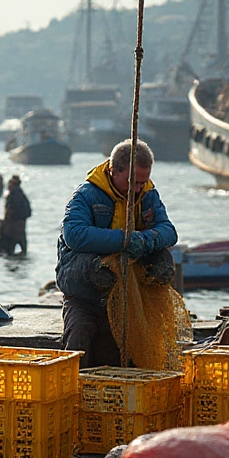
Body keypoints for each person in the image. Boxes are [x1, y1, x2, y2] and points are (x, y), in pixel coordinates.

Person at [56, 140, 178, 368]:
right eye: (132, 182)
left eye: (143, 182)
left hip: (130, 296)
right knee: (79, 339)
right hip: (84, 296)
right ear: (113, 172)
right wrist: (123, 240)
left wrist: (146, 240)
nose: (138, 189)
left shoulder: (148, 194)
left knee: (163, 258)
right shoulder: (85, 196)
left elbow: (168, 231)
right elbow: (74, 235)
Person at [1, 175, 32, 255]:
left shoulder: (12, 195)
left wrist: (7, 221)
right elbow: (28, 212)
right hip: (21, 226)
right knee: (23, 249)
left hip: (13, 226)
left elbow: (9, 210)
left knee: (10, 250)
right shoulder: (22, 195)